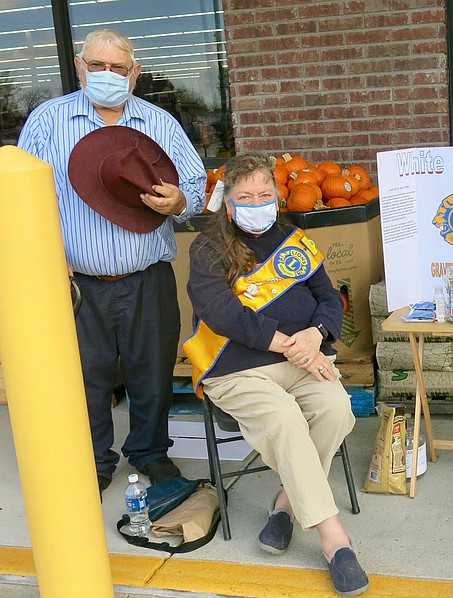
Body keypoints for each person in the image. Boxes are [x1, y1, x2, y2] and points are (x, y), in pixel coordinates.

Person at [16, 29, 206, 495]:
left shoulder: (158, 122)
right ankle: (93, 460)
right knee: (85, 375)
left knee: (153, 370)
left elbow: (198, 185)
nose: (106, 75)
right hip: (76, 280)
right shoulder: (48, 121)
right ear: (80, 67)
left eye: (118, 69)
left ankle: (150, 452)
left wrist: (181, 199)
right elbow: (23, 197)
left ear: (134, 74)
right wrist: (45, 256)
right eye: (96, 66)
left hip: (147, 276)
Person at [182, 153, 369, 596]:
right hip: (235, 369)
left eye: (265, 194)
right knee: (285, 418)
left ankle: (286, 502)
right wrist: (294, 344)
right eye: (245, 196)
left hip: (300, 360)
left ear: (278, 196)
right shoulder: (207, 248)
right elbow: (224, 314)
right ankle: (334, 540)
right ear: (228, 204)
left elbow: (327, 297)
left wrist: (317, 333)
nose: (256, 202)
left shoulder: (294, 238)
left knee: (337, 408)